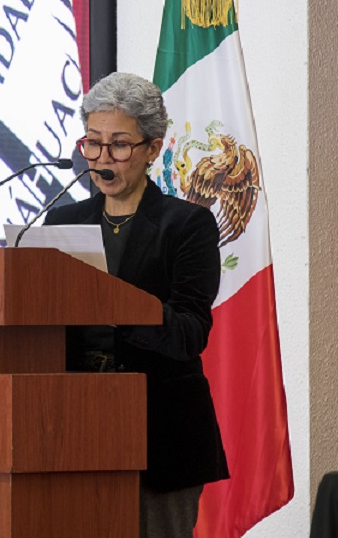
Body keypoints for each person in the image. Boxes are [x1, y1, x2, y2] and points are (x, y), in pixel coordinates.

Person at [44, 71, 228, 538]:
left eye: (119, 145)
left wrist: (113, 302)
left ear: (152, 148)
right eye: (93, 143)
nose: (103, 158)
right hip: (74, 427)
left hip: (161, 433)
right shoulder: (63, 219)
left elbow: (189, 331)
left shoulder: (187, 225)